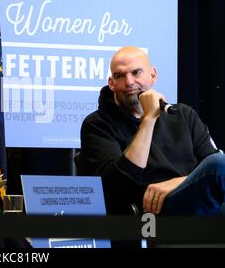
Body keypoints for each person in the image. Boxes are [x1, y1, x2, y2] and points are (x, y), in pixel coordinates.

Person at [78, 46, 225, 216]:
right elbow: (115, 188)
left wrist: (176, 182)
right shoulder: (98, 124)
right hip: (151, 211)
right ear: (111, 83)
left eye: (136, 73)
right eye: (120, 76)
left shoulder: (183, 114)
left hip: (197, 201)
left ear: (153, 75)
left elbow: (211, 170)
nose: (129, 82)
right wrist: (148, 120)